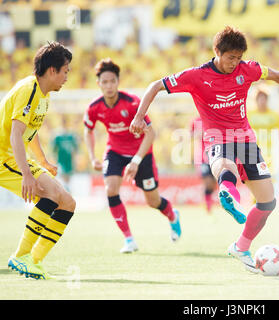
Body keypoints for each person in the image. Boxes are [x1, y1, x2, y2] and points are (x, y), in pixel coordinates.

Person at [130, 26, 279, 272]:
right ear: (216, 51)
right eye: (231, 57)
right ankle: (228, 193)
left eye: (239, 57)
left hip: (246, 138)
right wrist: (138, 116)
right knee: (225, 165)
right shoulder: (196, 76)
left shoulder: (247, 69)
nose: (235, 63)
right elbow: (155, 85)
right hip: (217, 136)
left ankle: (241, 246)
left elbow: (277, 75)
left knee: (268, 202)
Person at [83, 58, 181, 254]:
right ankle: (129, 239)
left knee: (152, 201)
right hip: (115, 152)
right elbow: (88, 130)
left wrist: (135, 161)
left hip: (141, 154)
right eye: (105, 82)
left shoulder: (133, 103)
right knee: (110, 189)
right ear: (99, 84)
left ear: (118, 81)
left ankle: (172, 215)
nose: (109, 85)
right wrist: (93, 156)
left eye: (112, 81)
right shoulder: (94, 107)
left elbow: (151, 134)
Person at [3, 41, 75, 279]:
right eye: (65, 71)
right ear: (52, 70)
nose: (67, 77)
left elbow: (28, 133)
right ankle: (21, 256)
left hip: (16, 155)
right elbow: (15, 133)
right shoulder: (29, 90)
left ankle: (34, 261)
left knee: (67, 202)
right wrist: (26, 174)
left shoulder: (43, 96)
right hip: (4, 157)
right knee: (51, 194)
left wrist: (42, 161)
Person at [247, 89, 279, 177]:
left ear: (267, 100)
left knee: (270, 176)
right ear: (256, 100)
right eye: (260, 99)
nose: (262, 101)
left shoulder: (274, 116)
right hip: (254, 151)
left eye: (264, 99)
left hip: (270, 153)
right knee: (255, 177)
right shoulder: (249, 115)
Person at [191, 116, 216, 214]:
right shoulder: (195, 120)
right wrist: (197, 134)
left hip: (215, 155)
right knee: (208, 182)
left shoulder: (214, 118)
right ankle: (208, 207)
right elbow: (189, 134)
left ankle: (207, 202)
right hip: (202, 157)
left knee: (213, 185)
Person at [51, 115, 79, 191]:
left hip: (69, 160)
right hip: (61, 160)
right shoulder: (57, 136)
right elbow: (53, 150)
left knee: (68, 179)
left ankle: (67, 191)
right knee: (63, 177)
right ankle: (65, 191)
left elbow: (76, 149)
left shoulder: (71, 136)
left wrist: (75, 160)